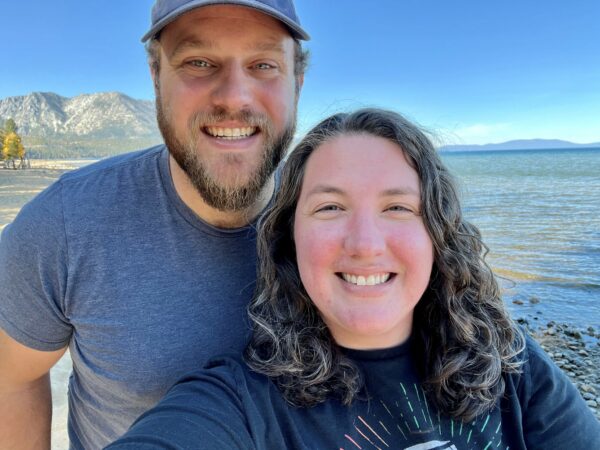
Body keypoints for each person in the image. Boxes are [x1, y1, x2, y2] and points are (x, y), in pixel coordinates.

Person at [107, 108, 600, 449]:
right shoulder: (241, 402)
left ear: (436, 234)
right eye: (330, 207)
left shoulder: (511, 363)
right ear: (288, 238)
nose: (365, 243)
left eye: (398, 207)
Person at [0, 0, 309, 448]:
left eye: (263, 64)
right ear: (155, 77)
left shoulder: (345, 228)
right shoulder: (64, 225)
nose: (234, 97)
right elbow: (12, 378)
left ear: (297, 83)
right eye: (198, 62)